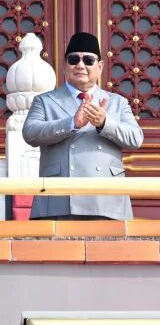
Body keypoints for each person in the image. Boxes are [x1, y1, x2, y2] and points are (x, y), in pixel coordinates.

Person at [22, 32, 144, 220]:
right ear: (64, 65)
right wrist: (71, 123)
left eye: (88, 60)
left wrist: (104, 123)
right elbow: (30, 133)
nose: (80, 65)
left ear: (100, 66)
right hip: (59, 200)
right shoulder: (45, 101)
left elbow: (135, 139)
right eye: (74, 60)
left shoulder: (117, 102)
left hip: (106, 201)